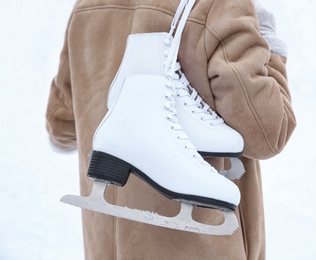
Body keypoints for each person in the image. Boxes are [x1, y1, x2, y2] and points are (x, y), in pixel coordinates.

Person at [46, 0, 296, 259]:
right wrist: (265, 36)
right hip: (200, 246)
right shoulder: (219, 5)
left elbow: (60, 125)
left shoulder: (87, 7)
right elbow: (268, 132)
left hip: (106, 246)